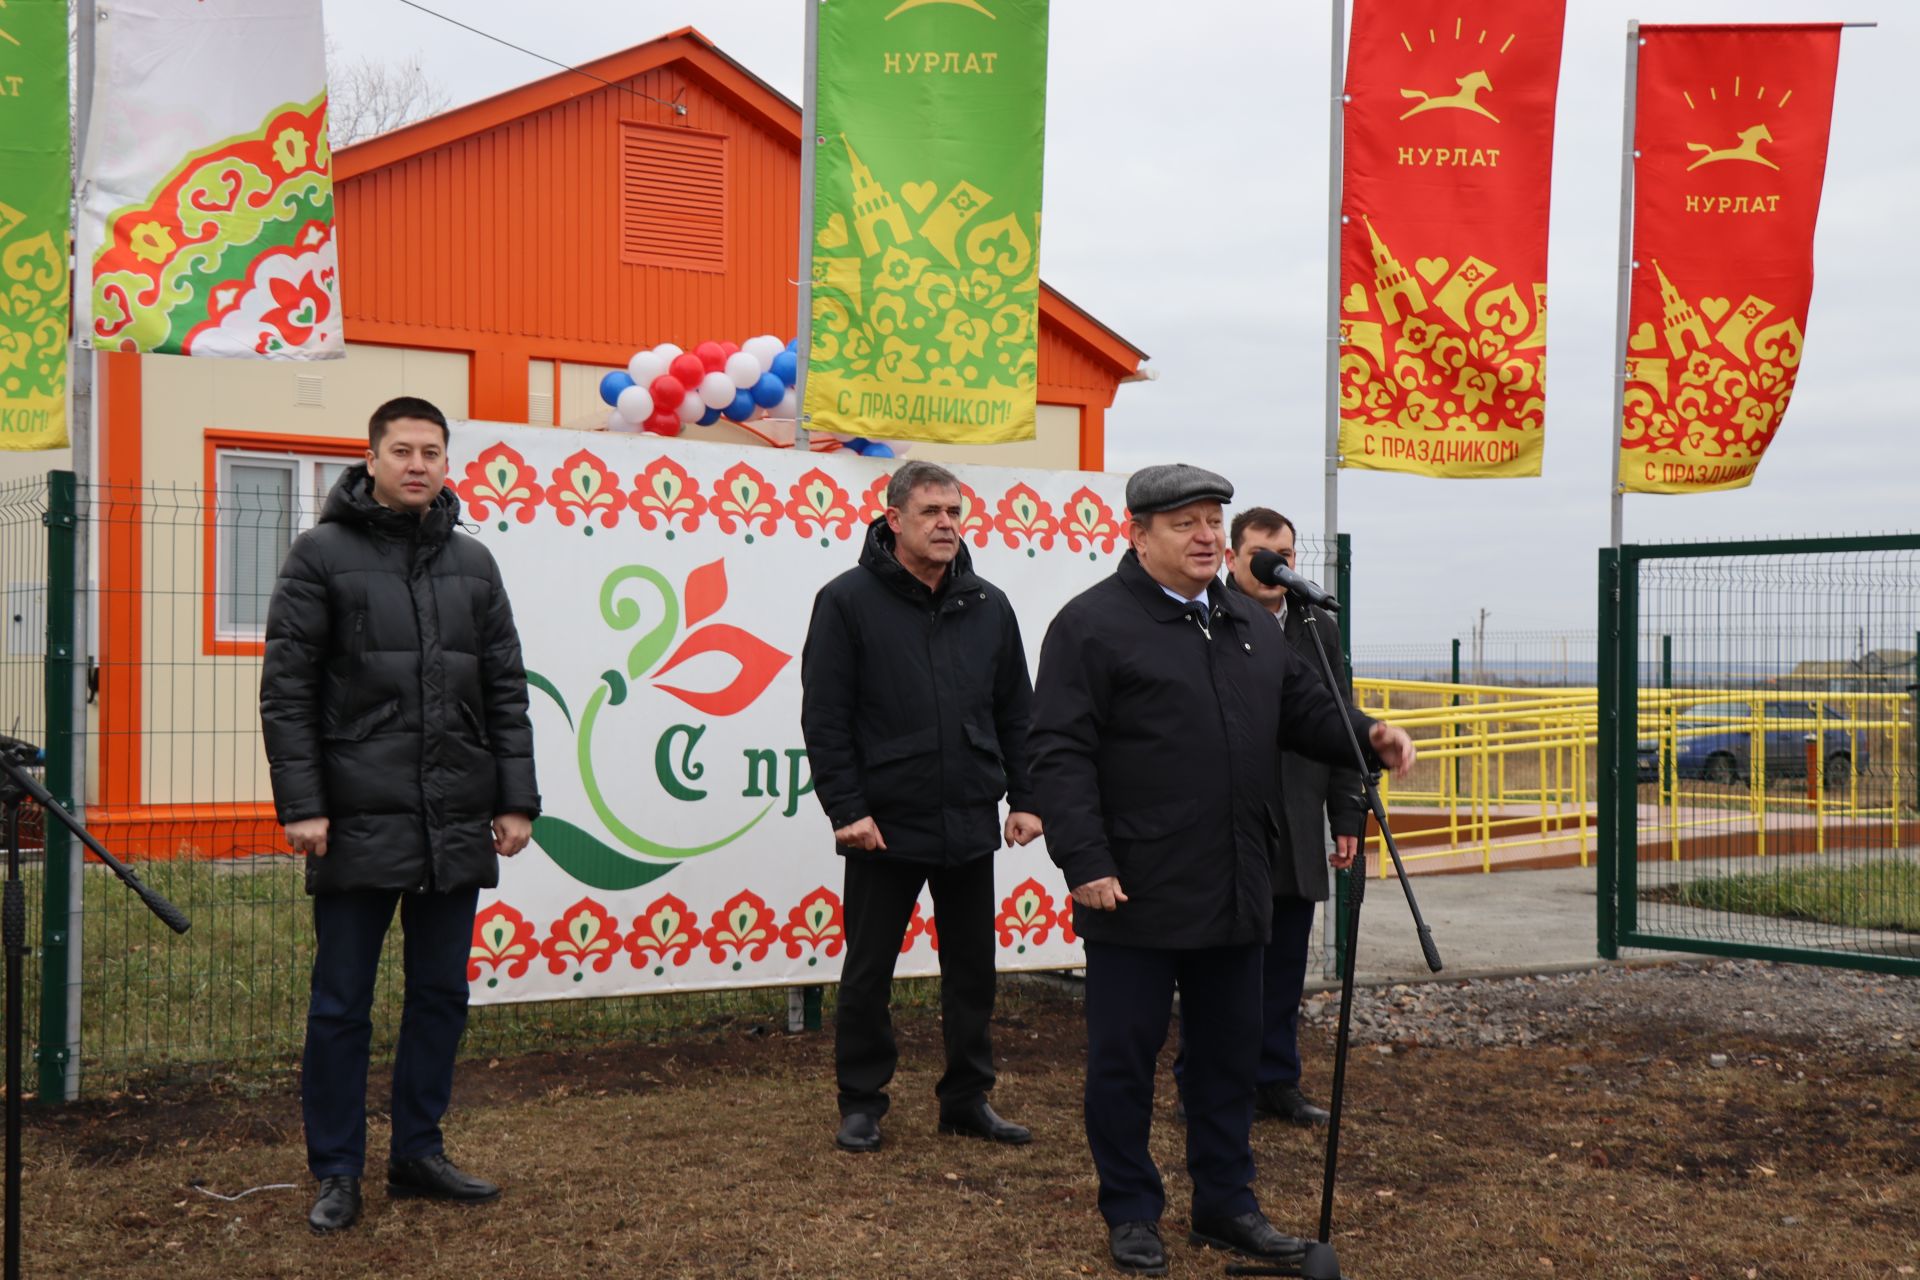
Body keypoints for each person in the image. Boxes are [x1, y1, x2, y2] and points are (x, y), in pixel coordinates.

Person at [1027, 464, 1415, 1276]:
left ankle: (1226, 1205)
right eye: (1186, 524)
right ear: (1138, 534)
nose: (1206, 536)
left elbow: (1301, 707)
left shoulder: (1248, 621)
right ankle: (1132, 1210)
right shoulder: (1091, 627)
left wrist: (1367, 731)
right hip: (1134, 886)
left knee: (1229, 1054)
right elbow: (1059, 753)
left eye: (1213, 521)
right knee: (1123, 1059)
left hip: (1241, 880)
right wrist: (1086, 861)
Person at [261, 396, 540, 1233]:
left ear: (448, 464)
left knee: (440, 996)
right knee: (341, 1003)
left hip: (454, 816)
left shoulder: (474, 565)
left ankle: (418, 1151)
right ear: (372, 459)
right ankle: (337, 1169)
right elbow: (288, 693)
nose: (419, 464)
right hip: (353, 818)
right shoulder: (320, 555)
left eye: (433, 452)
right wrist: (304, 806)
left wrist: (515, 798)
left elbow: (504, 691)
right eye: (403, 450)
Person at [800, 460, 1043, 1154]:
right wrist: (847, 809)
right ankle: (861, 1103)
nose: (946, 524)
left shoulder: (990, 605)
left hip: (969, 815)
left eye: (954, 512)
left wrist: (1025, 797)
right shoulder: (846, 601)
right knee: (868, 970)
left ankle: (967, 1100)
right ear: (893, 519)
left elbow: (1015, 713)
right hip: (883, 822)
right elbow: (826, 717)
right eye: (931, 511)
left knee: (973, 972)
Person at [1223, 506, 1366, 1127]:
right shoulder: (1209, 617)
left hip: (1299, 814)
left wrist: (1347, 815)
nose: (1274, 565)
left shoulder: (1315, 627)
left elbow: (1340, 722)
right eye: (1260, 552)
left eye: (1284, 553)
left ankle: (1276, 1081)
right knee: (1225, 967)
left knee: (1285, 962)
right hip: (1230, 819)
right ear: (1232, 557)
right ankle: (1213, 1083)